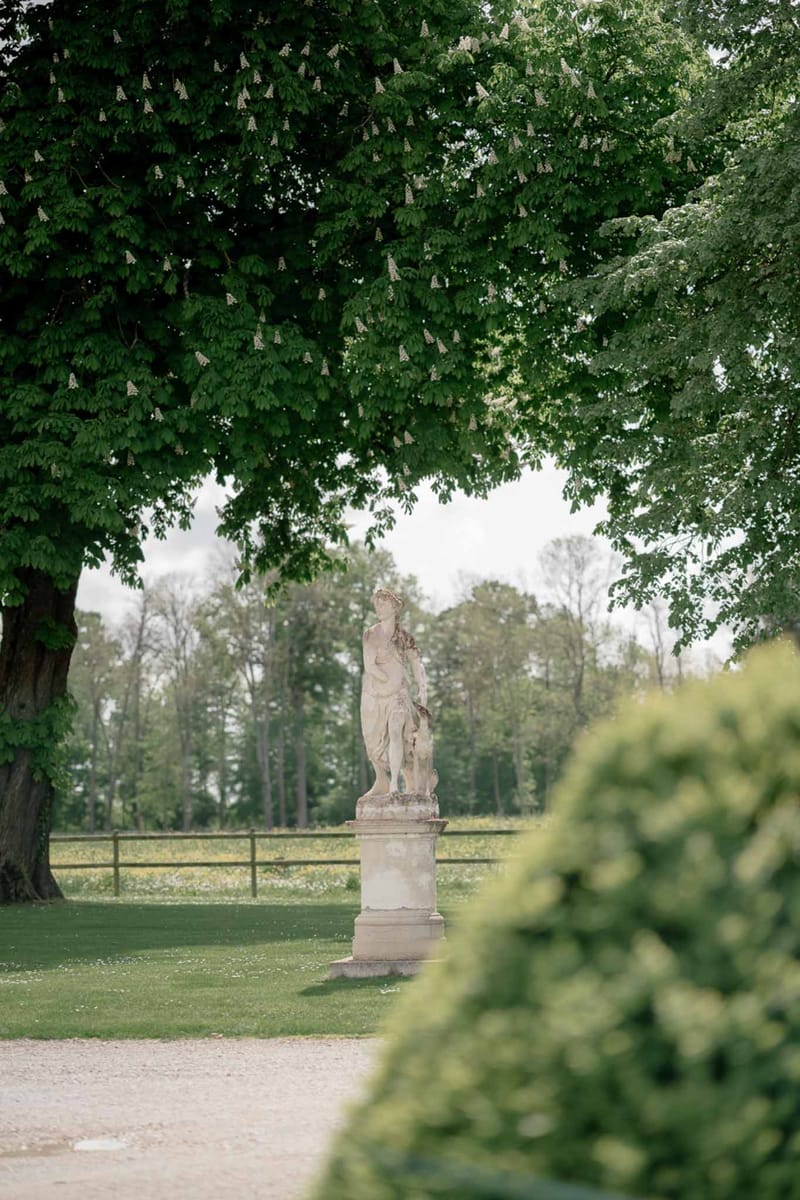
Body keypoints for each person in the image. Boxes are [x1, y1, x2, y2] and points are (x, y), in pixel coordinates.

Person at [360, 588, 427, 797]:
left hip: (399, 695)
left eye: (383, 604)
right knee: (374, 742)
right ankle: (382, 781)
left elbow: (417, 664)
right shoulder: (371, 634)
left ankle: (394, 785)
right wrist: (388, 679)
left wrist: (422, 685)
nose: (378, 608)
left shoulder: (404, 638)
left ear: (394, 608)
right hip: (375, 696)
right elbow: (370, 666)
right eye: (376, 604)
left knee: (397, 731)